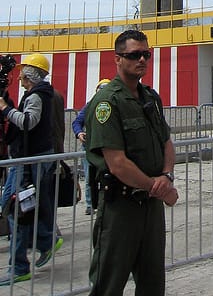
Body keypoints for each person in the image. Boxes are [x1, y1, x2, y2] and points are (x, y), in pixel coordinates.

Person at [85, 29, 178, 296]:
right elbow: (117, 163)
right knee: (109, 283)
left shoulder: (150, 97)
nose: (142, 60)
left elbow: (166, 142)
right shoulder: (107, 103)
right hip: (121, 210)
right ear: (117, 59)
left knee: (152, 283)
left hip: (150, 207)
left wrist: (167, 176)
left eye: (146, 55)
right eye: (134, 55)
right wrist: (158, 186)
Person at [0, 53, 63, 286]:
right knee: (24, 207)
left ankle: (21, 264)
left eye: (23, 72)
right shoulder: (41, 94)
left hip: (30, 159)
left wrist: (6, 110)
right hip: (31, 158)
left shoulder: (37, 96)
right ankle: (45, 241)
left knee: (16, 208)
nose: (19, 77)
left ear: (30, 75)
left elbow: (28, 122)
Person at [72, 79, 111, 214]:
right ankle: (90, 204)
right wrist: (79, 133)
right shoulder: (89, 106)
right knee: (90, 177)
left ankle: (106, 202)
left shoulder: (113, 105)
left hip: (107, 146)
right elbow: (77, 122)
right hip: (89, 146)